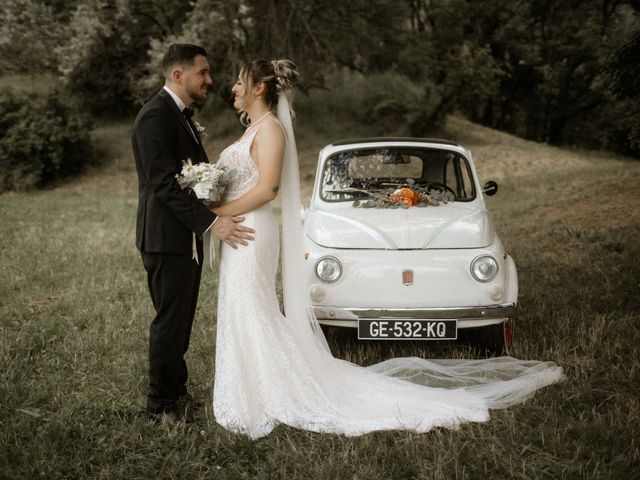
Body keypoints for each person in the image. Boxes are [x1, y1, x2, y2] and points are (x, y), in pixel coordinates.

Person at [211, 59, 565, 439]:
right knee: (243, 307)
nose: (233, 88)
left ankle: (271, 389)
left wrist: (216, 213)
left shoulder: (272, 130)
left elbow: (267, 189)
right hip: (239, 228)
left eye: (239, 81)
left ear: (259, 88)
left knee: (252, 305)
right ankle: (250, 384)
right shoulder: (256, 128)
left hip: (245, 228)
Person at [131, 43, 254, 425]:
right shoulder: (154, 118)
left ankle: (176, 393)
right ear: (178, 75)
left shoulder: (180, 115)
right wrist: (212, 223)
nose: (210, 80)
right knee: (169, 322)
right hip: (165, 240)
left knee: (180, 321)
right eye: (203, 72)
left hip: (184, 238)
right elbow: (164, 186)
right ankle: (160, 408)